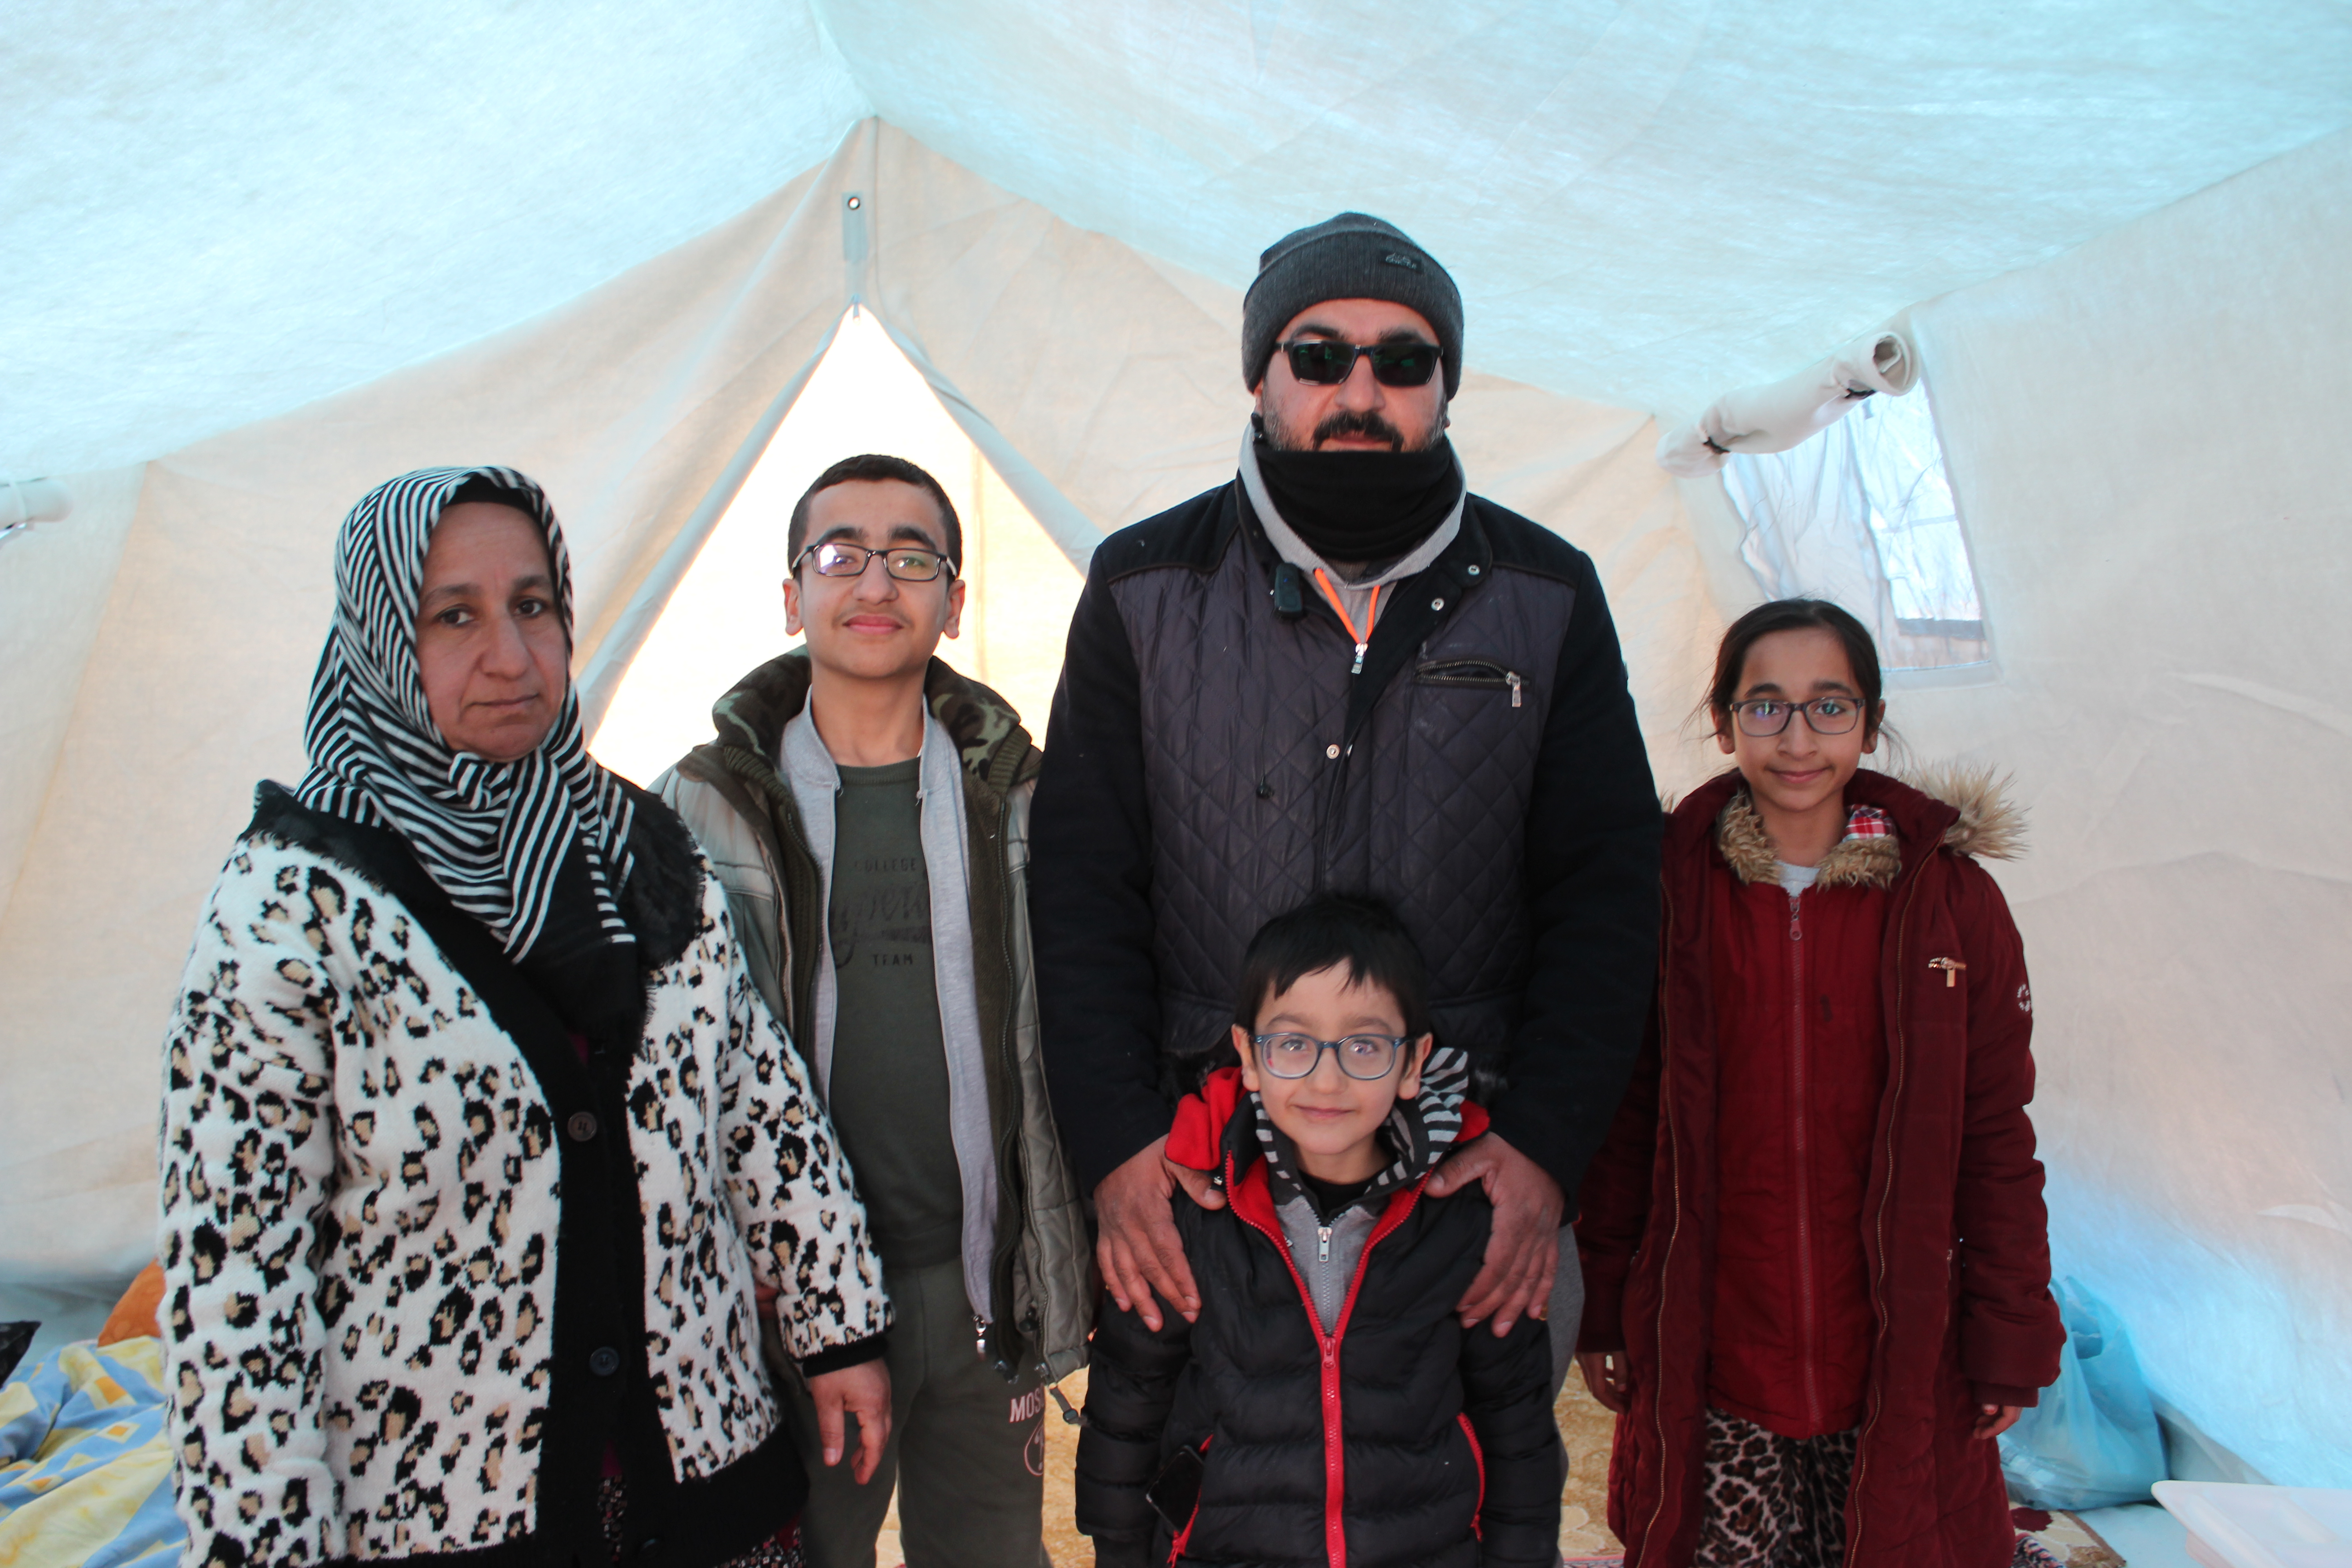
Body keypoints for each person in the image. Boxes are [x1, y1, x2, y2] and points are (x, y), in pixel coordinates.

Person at [158, 467, 892, 1568]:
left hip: (704, 1474)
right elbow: (237, 1277)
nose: (510, 655)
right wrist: (265, 1543)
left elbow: (757, 1103)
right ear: (378, 641)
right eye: (453, 615)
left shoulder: (641, 848)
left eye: (533, 606)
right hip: (443, 1511)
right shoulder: (290, 907)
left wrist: (841, 1329)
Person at [1032, 211, 1662, 1369]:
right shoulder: (1142, 587)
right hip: (1204, 1185)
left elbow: (1610, 895)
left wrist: (1544, 1150)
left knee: (1464, 1515)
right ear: (1261, 379)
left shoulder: (1547, 594)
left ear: (1446, 388)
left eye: (1404, 359)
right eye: (1319, 356)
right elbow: (1083, 894)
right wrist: (1119, 1147)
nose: (1360, 388)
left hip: (1467, 1184)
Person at [656, 454, 1089, 1568]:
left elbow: (1069, 1024)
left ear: (954, 600)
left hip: (980, 1277)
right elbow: (671, 1061)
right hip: (796, 1302)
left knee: (994, 1551)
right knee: (809, 1549)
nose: (876, 584)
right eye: (840, 554)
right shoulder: (704, 805)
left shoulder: (1024, 800)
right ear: (793, 595)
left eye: (912, 557)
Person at [1572, 598, 2065, 1568]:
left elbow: (1996, 1135)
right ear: (1723, 722)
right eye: (1765, 706)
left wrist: (2009, 1329)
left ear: (1872, 723)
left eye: (1828, 706)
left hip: (1898, 1346)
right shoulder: (1667, 891)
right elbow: (1626, 1119)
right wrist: (1602, 1303)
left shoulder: (1949, 902)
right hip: (1714, 1341)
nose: (1798, 738)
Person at [1075, 895, 1562, 1568]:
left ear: (1414, 1062)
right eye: (1294, 1043)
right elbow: (1128, 1399)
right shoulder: (1196, 1209)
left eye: (1364, 1045)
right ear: (1247, 1054)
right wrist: (1121, 1552)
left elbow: (1517, 1424)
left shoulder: (1465, 1219)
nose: (1326, 1079)